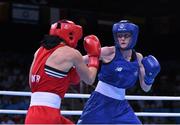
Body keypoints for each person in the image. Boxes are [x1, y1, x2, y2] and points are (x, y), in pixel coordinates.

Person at [77, 20, 161, 124]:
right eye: (119, 35)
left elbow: (146, 88)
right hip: (100, 102)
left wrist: (150, 77)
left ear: (133, 37)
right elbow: (78, 60)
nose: (122, 38)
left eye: (126, 35)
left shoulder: (138, 58)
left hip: (121, 106)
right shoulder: (108, 52)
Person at [25, 19, 101, 124]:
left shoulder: (39, 51)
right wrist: (94, 56)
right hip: (48, 116)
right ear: (71, 35)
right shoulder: (72, 53)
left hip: (34, 114)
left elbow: (32, 83)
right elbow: (90, 79)